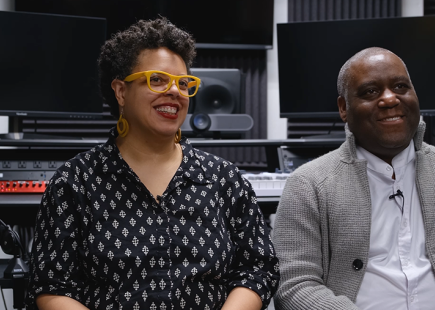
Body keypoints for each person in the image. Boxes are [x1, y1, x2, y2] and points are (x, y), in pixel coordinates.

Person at [26, 17, 279, 310]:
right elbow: (50, 286)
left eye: (183, 83)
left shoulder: (224, 179)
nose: (174, 91)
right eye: (156, 80)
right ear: (121, 91)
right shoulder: (75, 181)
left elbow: (258, 269)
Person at [273, 47, 435, 310]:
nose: (389, 99)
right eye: (370, 92)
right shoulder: (308, 185)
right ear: (344, 108)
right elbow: (294, 284)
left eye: (400, 86)